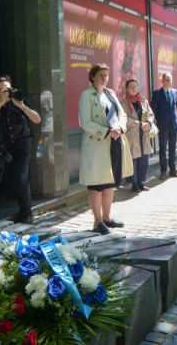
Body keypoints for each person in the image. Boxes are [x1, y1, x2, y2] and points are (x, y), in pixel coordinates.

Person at [78, 64, 133, 235]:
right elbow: (86, 123)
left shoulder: (110, 93)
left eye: (106, 75)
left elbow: (122, 114)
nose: (104, 78)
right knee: (96, 184)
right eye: (100, 75)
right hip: (97, 144)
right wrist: (108, 131)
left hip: (114, 142)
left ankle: (107, 217)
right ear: (92, 77)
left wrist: (120, 128)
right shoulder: (86, 95)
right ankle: (97, 221)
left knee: (110, 183)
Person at [0, 75, 41, 224]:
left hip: (22, 143)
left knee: (20, 178)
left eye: (7, 89)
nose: (5, 92)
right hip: (2, 145)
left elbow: (37, 119)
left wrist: (21, 105)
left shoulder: (19, 99)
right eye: (0, 90)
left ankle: (26, 213)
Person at [121, 79, 155, 193]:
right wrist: (139, 124)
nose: (133, 88)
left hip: (143, 135)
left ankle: (141, 182)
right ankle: (134, 183)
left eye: (135, 86)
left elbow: (150, 114)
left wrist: (149, 123)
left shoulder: (143, 101)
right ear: (126, 89)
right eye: (130, 86)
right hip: (132, 135)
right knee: (134, 160)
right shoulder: (124, 103)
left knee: (143, 160)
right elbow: (124, 118)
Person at [151, 73, 177, 180]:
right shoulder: (157, 94)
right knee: (163, 149)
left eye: (170, 80)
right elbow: (153, 109)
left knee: (173, 148)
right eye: (166, 80)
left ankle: (173, 170)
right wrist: (157, 121)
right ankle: (163, 171)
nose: (169, 82)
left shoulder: (175, 92)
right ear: (162, 81)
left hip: (174, 124)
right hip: (163, 125)